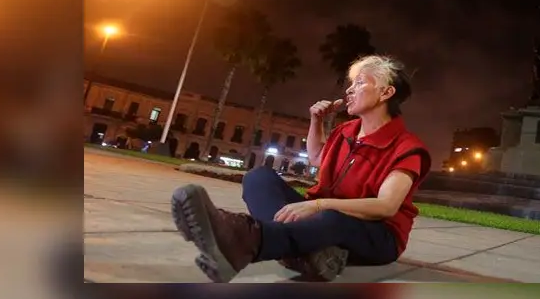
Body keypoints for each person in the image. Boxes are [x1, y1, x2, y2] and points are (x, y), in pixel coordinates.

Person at [170, 54, 431, 282]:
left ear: (387, 93)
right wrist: (316, 121)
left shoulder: (407, 147)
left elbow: (386, 206)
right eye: (351, 84)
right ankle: (309, 256)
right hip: (326, 220)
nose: (350, 90)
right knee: (259, 177)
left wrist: (319, 205)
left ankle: (245, 239)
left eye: (360, 83)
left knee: (331, 217)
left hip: (376, 236)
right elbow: (318, 158)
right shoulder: (346, 131)